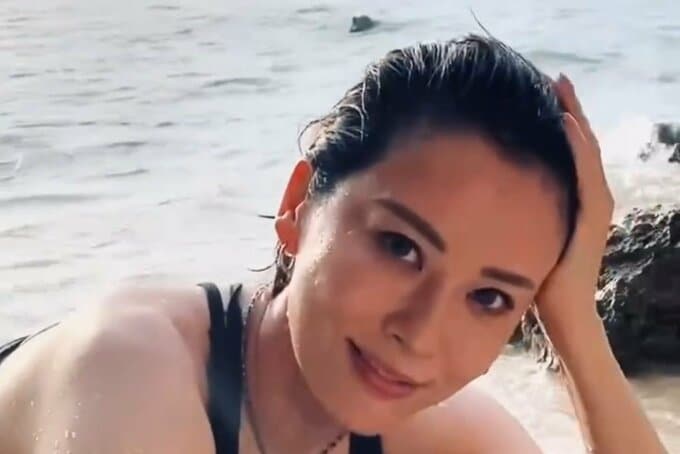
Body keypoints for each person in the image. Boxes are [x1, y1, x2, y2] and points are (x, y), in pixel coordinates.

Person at [0, 34, 666, 454]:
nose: (419, 334)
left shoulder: (436, 433)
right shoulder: (128, 373)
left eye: (489, 297)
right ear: (297, 205)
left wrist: (576, 326)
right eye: (401, 247)